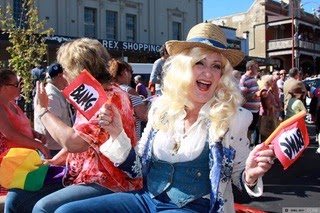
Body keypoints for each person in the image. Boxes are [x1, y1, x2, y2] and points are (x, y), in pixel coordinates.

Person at [53, 22, 275, 213]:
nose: (208, 72)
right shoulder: (161, 108)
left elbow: (239, 176)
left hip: (192, 208)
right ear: (183, 68)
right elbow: (137, 169)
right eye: (199, 63)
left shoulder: (233, 118)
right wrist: (117, 133)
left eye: (216, 66)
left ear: (221, 76)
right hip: (146, 200)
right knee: (66, 210)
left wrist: (250, 175)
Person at [5, 38, 142, 213]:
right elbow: (84, 135)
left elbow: (74, 142)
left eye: (66, 69)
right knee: (16, 199)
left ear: (78, 69)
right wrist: (56, 160)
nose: (63, 75)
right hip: (80, 174)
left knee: (43, 208)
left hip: (109, 179)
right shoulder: (94, 92)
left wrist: (42, 111)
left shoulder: (107, 97)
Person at [0, 69, 50, 196]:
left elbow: (19, 125)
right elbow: (10, 133)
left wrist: (34, 133)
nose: (19, 87)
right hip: (11, 166)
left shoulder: (12, 104)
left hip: (23, 162)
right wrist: (38, 144)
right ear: (4, 87)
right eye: (16, 84)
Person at [33, 62, 73, 157]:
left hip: (58, 147)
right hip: (54, 149)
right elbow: (52, 127)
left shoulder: (56, 93)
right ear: (60, 76)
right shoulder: (51, 95)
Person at [109, 58, 148, 139]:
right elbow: (144, 115)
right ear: (124, 72)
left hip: (113, 139)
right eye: (131, 72)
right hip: (129, 139)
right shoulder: (129, 91)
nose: (131, 76)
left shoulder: (109, 90)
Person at [239, 60, 261, 145]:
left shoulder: (253, 79)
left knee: (251, 132)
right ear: (250, 68)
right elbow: (242, 98)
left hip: (254, 110)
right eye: (256, 68)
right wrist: (255, 94)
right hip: (248, 111)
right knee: (246, 133)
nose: (258, 70)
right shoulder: (244, 79)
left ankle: (247, 149)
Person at [259, 75, 278, 142]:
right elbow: (268, 105)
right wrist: (276, 108)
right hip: (266, 115)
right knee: (266, 134)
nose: (273, 82)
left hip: (269, 115)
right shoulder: (265, 92)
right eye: (272, 81)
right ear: (267, 82)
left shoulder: (268, 91)